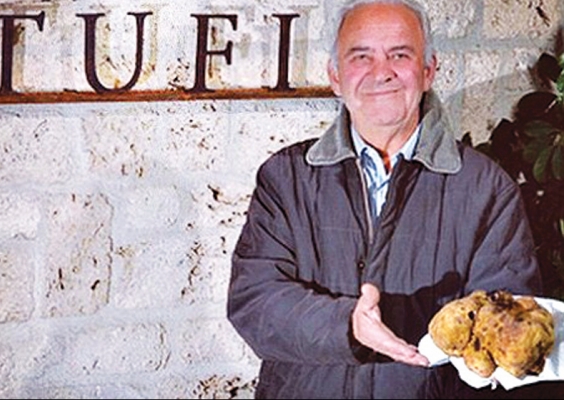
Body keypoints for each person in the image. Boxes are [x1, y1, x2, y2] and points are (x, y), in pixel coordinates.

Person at [226, 0, 555, 398]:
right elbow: (255, 300)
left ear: (428, 71)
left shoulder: (485, 188)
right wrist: (347, 325)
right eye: (361, 56)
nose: (381, 72)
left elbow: (509, 325)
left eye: (400, 55)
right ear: (335, 76)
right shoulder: (286, 177)